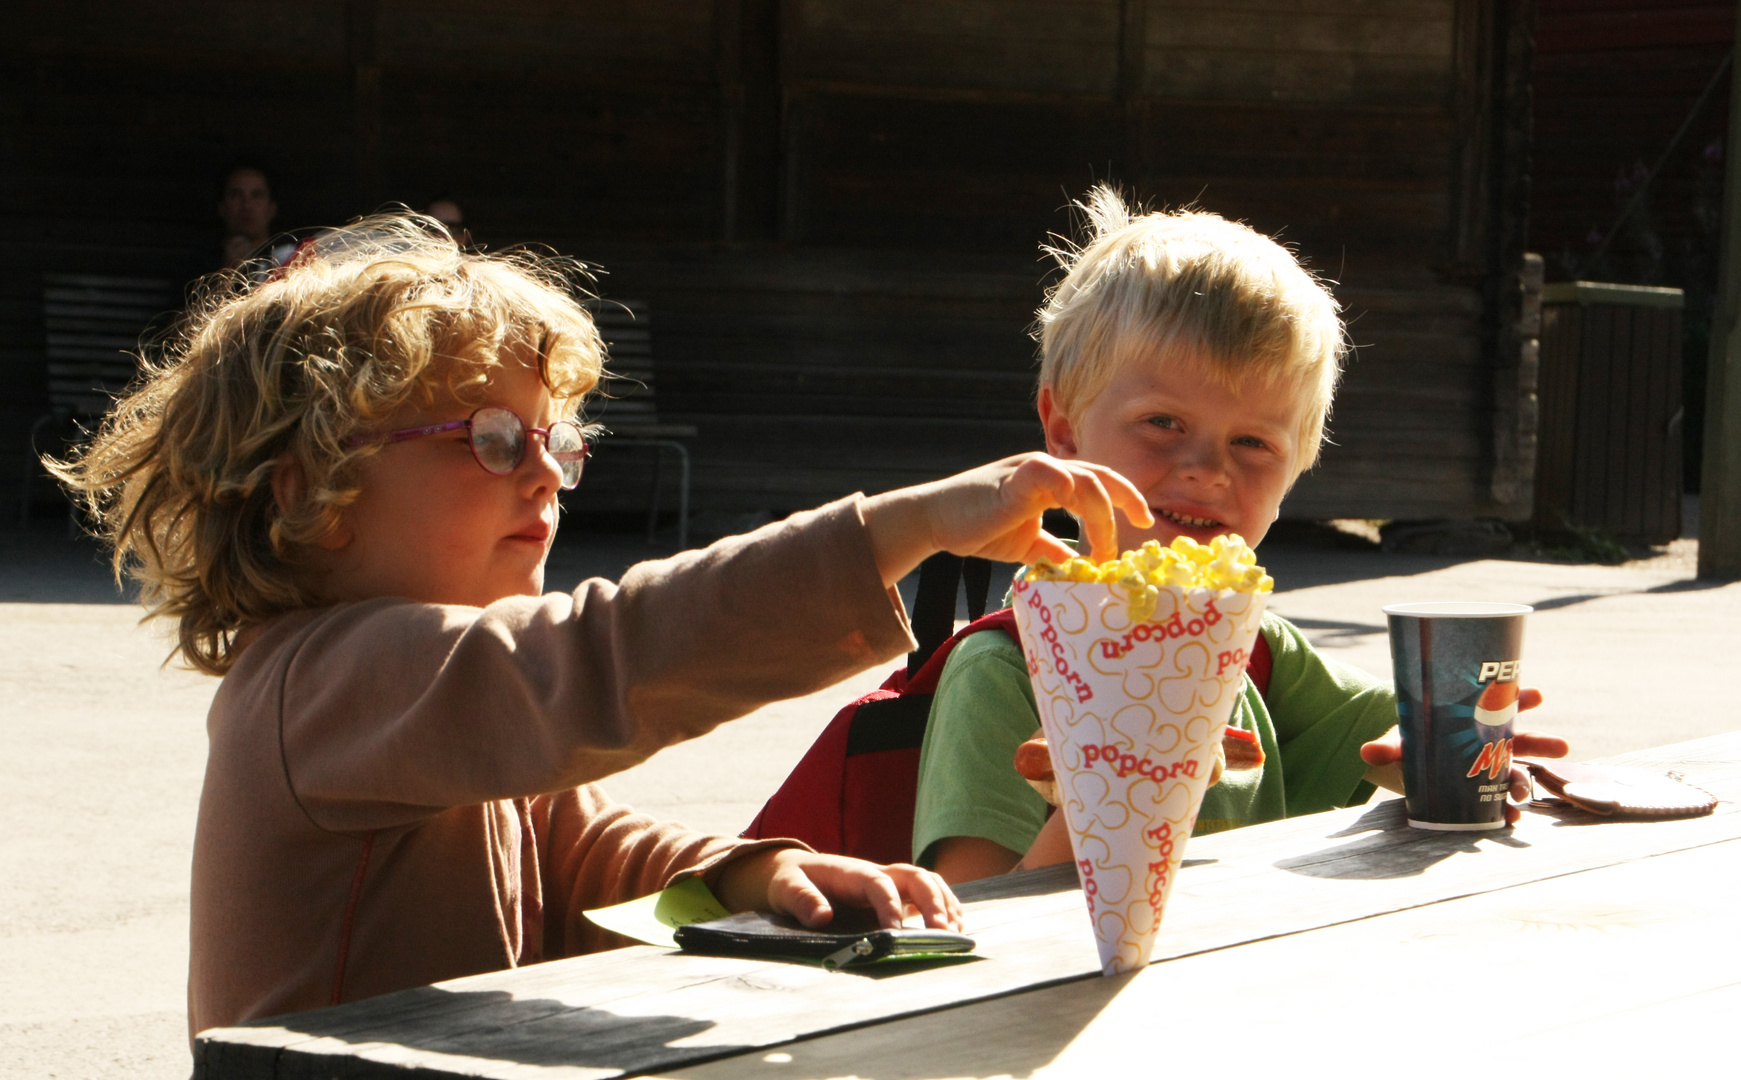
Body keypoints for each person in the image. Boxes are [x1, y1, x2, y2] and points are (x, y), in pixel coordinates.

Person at [48, 214, 1151, 1037]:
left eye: (555, 444)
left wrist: (748, 874)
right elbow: (600, 659)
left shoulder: (444, 694)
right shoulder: (326, 680)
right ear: (302, 494)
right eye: (489, 440)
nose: (545, 477)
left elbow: (570, 848)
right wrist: (893, 530)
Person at [911, 187, 1568, 884]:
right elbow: (974, 915)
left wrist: (1450, 744)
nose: (1207, 470)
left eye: (1253, 441)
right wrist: (1125, 784)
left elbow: (1391, 737)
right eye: (1162, 422)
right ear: (1065, 431)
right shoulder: (1008, 670)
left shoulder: (1256, 651)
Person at [217, 162, 296, 273]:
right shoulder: (196, 260)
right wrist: (228, 270)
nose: (246, 205)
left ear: (271, 208)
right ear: (222, 207)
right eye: (236, 195)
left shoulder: (291, 259)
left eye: (257, 196)